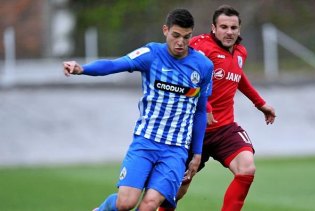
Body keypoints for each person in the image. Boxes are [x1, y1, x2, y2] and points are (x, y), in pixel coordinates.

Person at [63, 9, 213, 211]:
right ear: (165, 30)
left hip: (176, 150)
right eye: (176, 36)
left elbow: (201, 111)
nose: (181, 42)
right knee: (126, 203)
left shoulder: (203, 66)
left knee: (149, 205)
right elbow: (115, 64)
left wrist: (197, 152)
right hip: (145, 141)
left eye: (186, 37)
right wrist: (83, 69)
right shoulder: (151, 54)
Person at [159, 5, 276, 211]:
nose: (229, 32)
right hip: (193, 131)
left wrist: (260, 104)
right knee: (176, 191)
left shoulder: (240, 52)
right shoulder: (199, 47)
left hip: (224, 129)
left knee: (246, 167)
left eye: (233, 27)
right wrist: (206, 105)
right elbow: (183, 77)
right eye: (223, 27)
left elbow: (238, 76)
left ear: (239, 29)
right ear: (214, 28)